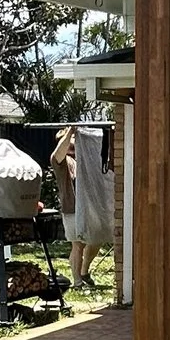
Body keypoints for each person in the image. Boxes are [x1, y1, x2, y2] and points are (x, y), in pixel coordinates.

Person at [51, 123, 98, 292]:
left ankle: (84, 272)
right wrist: (71, 129)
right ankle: (77, 282)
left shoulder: (82, 159)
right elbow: (58, 152)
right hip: (72, 209)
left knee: (97, 239)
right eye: (72, 138)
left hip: (88, 208)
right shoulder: (60, 160)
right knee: (77, 245)